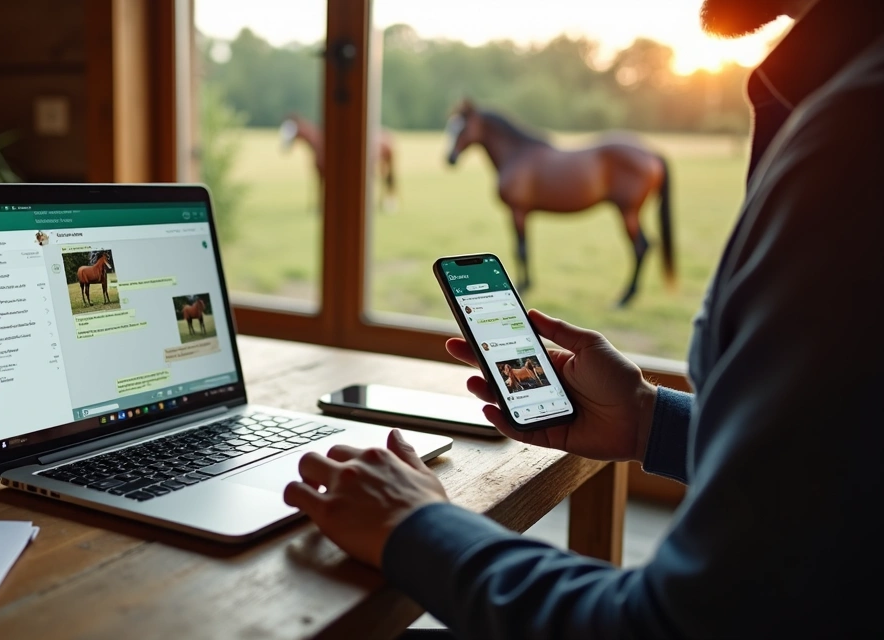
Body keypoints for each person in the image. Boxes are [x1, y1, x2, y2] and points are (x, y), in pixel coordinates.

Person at [284, 0, 883, 636]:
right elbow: (836, 464)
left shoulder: (857, 135)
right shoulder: (838, 97)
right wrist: (652, 421)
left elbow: (681, 624)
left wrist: (417, 527)